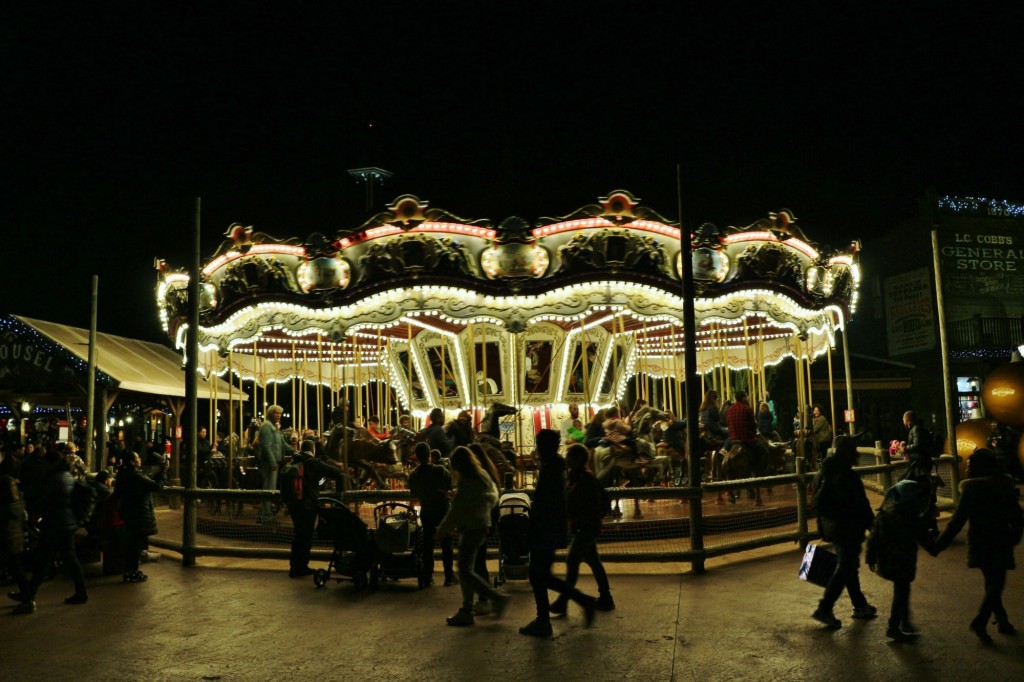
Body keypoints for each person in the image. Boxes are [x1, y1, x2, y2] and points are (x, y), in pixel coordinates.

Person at [935, 448, 1023, 642]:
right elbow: (1017, 517)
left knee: (992, 583)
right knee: (996, 584)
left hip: (980, 542)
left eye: (969, 465)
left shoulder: (971, 491)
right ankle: (986, 621)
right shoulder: (1003, 487)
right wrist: (1014, 538)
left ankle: (998, 620)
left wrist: (939, 545)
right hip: (1000, 541)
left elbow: (957, 522)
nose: (966, 468)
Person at [519, 429, 596, 637]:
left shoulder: (550, 468)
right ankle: (573, 604)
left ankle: (547, 618)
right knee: (540, 574)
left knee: (538, 574)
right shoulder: (556, 466)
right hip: (551, 527)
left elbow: (544, 502)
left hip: (544, 528)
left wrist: (532, 527)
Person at [436, 446, 510, 626]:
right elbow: (491, 497)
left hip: (470, 527)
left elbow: (456, 510)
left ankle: (489, 600)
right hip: (481, 525)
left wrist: (441, 530)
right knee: (467, 568)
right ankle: (469, 607)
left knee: (465, 570)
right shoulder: (483, 476)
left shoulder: (467, 482)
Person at [811, 434, 876, 629]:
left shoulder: (822, 473)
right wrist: (873, 527)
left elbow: (817, 501)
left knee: (848, 566)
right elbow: (861, 505)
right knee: (845, 567)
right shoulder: (848, 476)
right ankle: (825, 607)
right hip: (848, 527)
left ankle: (860, 604)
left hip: (832, 526)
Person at [13, 450, 88, 614]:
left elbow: (47, 500)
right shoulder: (66, 476)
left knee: (43, 561)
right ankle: (80, 592)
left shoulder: (56, 478)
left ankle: (28, 598)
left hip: (55, 525)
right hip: (64, 524)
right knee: (65, 559)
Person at [865, 480, 939, 641]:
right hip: (903, 563)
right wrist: (935, 548)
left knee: (902, 590)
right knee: (901, 592)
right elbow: (925, 539)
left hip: (887, 561)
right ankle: (894, 626)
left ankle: (904, 622)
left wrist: (870, 558)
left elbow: (873, 539)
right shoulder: (911, 519)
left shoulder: (884, 515)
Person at [550, 443, 614, 615]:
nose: (567, 458)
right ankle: (606, 597)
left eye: (570, 455)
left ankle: (564, 600)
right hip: (583, 526)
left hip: (586, 526)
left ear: (578, 459)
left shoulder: (585, 478)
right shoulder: (575, 477)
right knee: (593, 561)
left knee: (572, 561)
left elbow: (593, 502)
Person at [286, 439, 347, 578]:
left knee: (299, 535)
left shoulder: (293, 460)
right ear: (313, 450)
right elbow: (336, 472)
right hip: (307, 504)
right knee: (306, 535)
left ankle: (295, 566)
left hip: (294, 503)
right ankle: (301, 566)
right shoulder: (312, 462)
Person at [115, 451, 167, 583]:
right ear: (132, 462)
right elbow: (157, 486)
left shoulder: (123, 475)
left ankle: (130, 571)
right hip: (138, 514)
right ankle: (132, 572)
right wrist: (163, 472)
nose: (140, 460)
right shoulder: (135, 476)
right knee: (134, 545)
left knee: (132, 544)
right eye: (137, 458)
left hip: (129, 513)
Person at [407, 442, 455, 587]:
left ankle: (428, 576)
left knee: (428, 543)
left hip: (426, 509)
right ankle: (449, 577)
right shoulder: (440, 470)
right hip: (442, 509)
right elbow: (450, 485)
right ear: (429, 455)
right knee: (447, 543)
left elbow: (414, 493)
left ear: (416, 456)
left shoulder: (414, 474)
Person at [256, 405, 291, 524]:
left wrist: (295, 451)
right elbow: (266, 446)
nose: (278, 416)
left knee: (270, 488)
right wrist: (272, 462)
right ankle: (266, 516)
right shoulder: (266, 426)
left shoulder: (275, 428)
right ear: (270, 413)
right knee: (268, 489)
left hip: (276, 461)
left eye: (280, 414)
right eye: (276, 413)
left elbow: (282, 444)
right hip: (270, 463)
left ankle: (262, 514)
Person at [725, 391, 771, 476]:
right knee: (764, 451)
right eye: (746, 397)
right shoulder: (747, 409)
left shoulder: (729, 410)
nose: (747, 399)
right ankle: (760, 474)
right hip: (746, 439)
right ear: (743, 398)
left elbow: (728, 423)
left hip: (733, 439)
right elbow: (752, 425)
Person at [1, 475, 30, 602]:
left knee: (16, 570)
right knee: (17, 569)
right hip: (17, 540)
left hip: (8, 539)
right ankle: (27, 595)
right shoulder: (17, 503)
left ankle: (28, 597)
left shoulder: (4, 507)